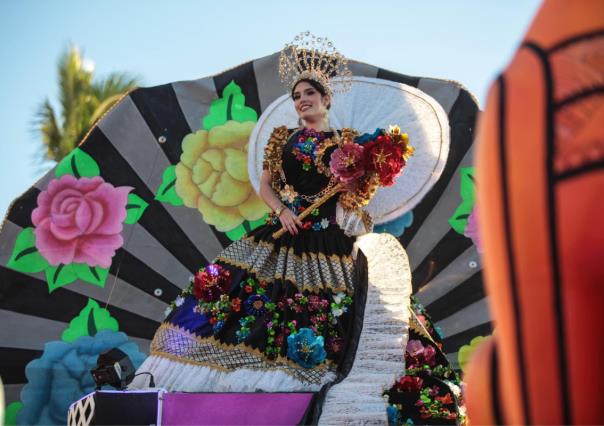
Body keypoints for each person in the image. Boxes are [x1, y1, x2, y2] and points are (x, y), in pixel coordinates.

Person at [130, 34, 376, 397]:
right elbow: (265, 186)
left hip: (331, 239)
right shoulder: (283, 139)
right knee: (245, 304)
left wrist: (359, 176)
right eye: (296, 97)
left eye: (309, 94)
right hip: (284, 231)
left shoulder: (348, 144)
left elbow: (355, 200)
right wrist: (282, 211)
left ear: (326, 99)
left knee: (330, 313)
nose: (302, 101)